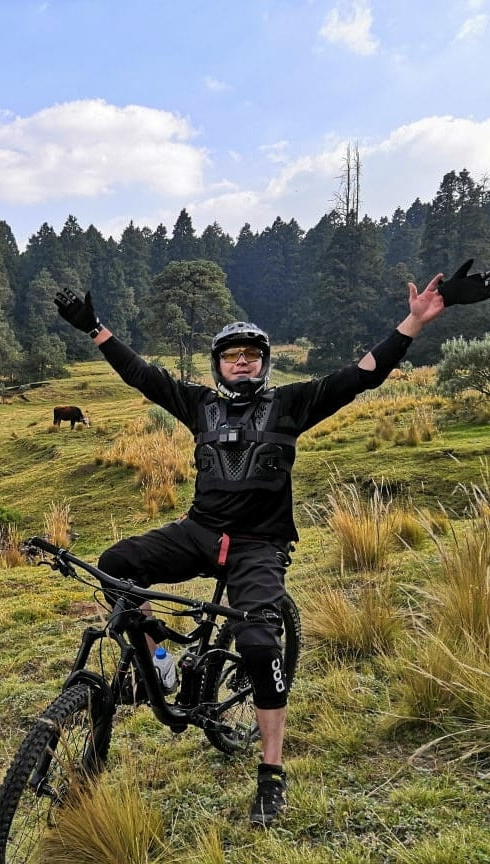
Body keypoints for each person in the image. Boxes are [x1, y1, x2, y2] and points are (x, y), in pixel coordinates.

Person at [54, 260, 490, 828]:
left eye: (252, 356)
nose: (243, 362)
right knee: (115, 566)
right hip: (198, 533)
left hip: (260, 546)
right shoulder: (197, 405)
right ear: (218, 365)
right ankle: (156, 658)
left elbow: (362, 375)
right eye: (233, 355)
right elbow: (141, 374)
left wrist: (414, 322)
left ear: (263, 364)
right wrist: (95, 328)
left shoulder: (290, 404)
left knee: (260, 648)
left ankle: (271, 773)